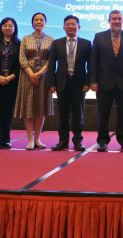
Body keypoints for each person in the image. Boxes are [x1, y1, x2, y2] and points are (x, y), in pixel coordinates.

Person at [90, 10, 123, 152]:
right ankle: (102, 141)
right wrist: (93, 81)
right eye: (114, 19)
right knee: (103, 114)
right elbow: (93, 61)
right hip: (104, 82)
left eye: (119, 19)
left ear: (122, 21)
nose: (117, 21)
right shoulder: (99, 36)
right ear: (109, 21)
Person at [46, 16, 92, 151]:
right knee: (63, 114)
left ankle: (78, 140)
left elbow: (91, 65)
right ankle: (63, 141)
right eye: (67, 24)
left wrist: (88, 82)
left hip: (79, 83)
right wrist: (51, 83)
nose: (70, 26)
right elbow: (51, 64)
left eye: (73, 24)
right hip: (62, 83)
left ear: (79, 27)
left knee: (78, 114)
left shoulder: (86, 43)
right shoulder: (57, 43)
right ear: (64, 28)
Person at [15, 13, 54, 150]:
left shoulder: (50, 39)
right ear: (32, 23)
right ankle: (30, 140)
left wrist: (39, 73)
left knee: (40, 109)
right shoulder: (25, 39)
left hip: (43, 76)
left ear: (45, 22)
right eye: (36, 20)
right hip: (27, 77)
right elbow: (22, 59)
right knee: (29, 109)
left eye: (41, 20)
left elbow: (51, 60)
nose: (39, 22)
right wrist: (32, 75)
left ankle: (37, 139)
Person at [0, 17, 20, 150]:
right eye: (5, 25)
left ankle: (6, 140)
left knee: (9, 111)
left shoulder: (19, 44)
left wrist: (11, 76)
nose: (7, 28)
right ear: (1, 27)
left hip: (12, 81)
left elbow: (21, 63)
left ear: (14, 28)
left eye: (10, 26)